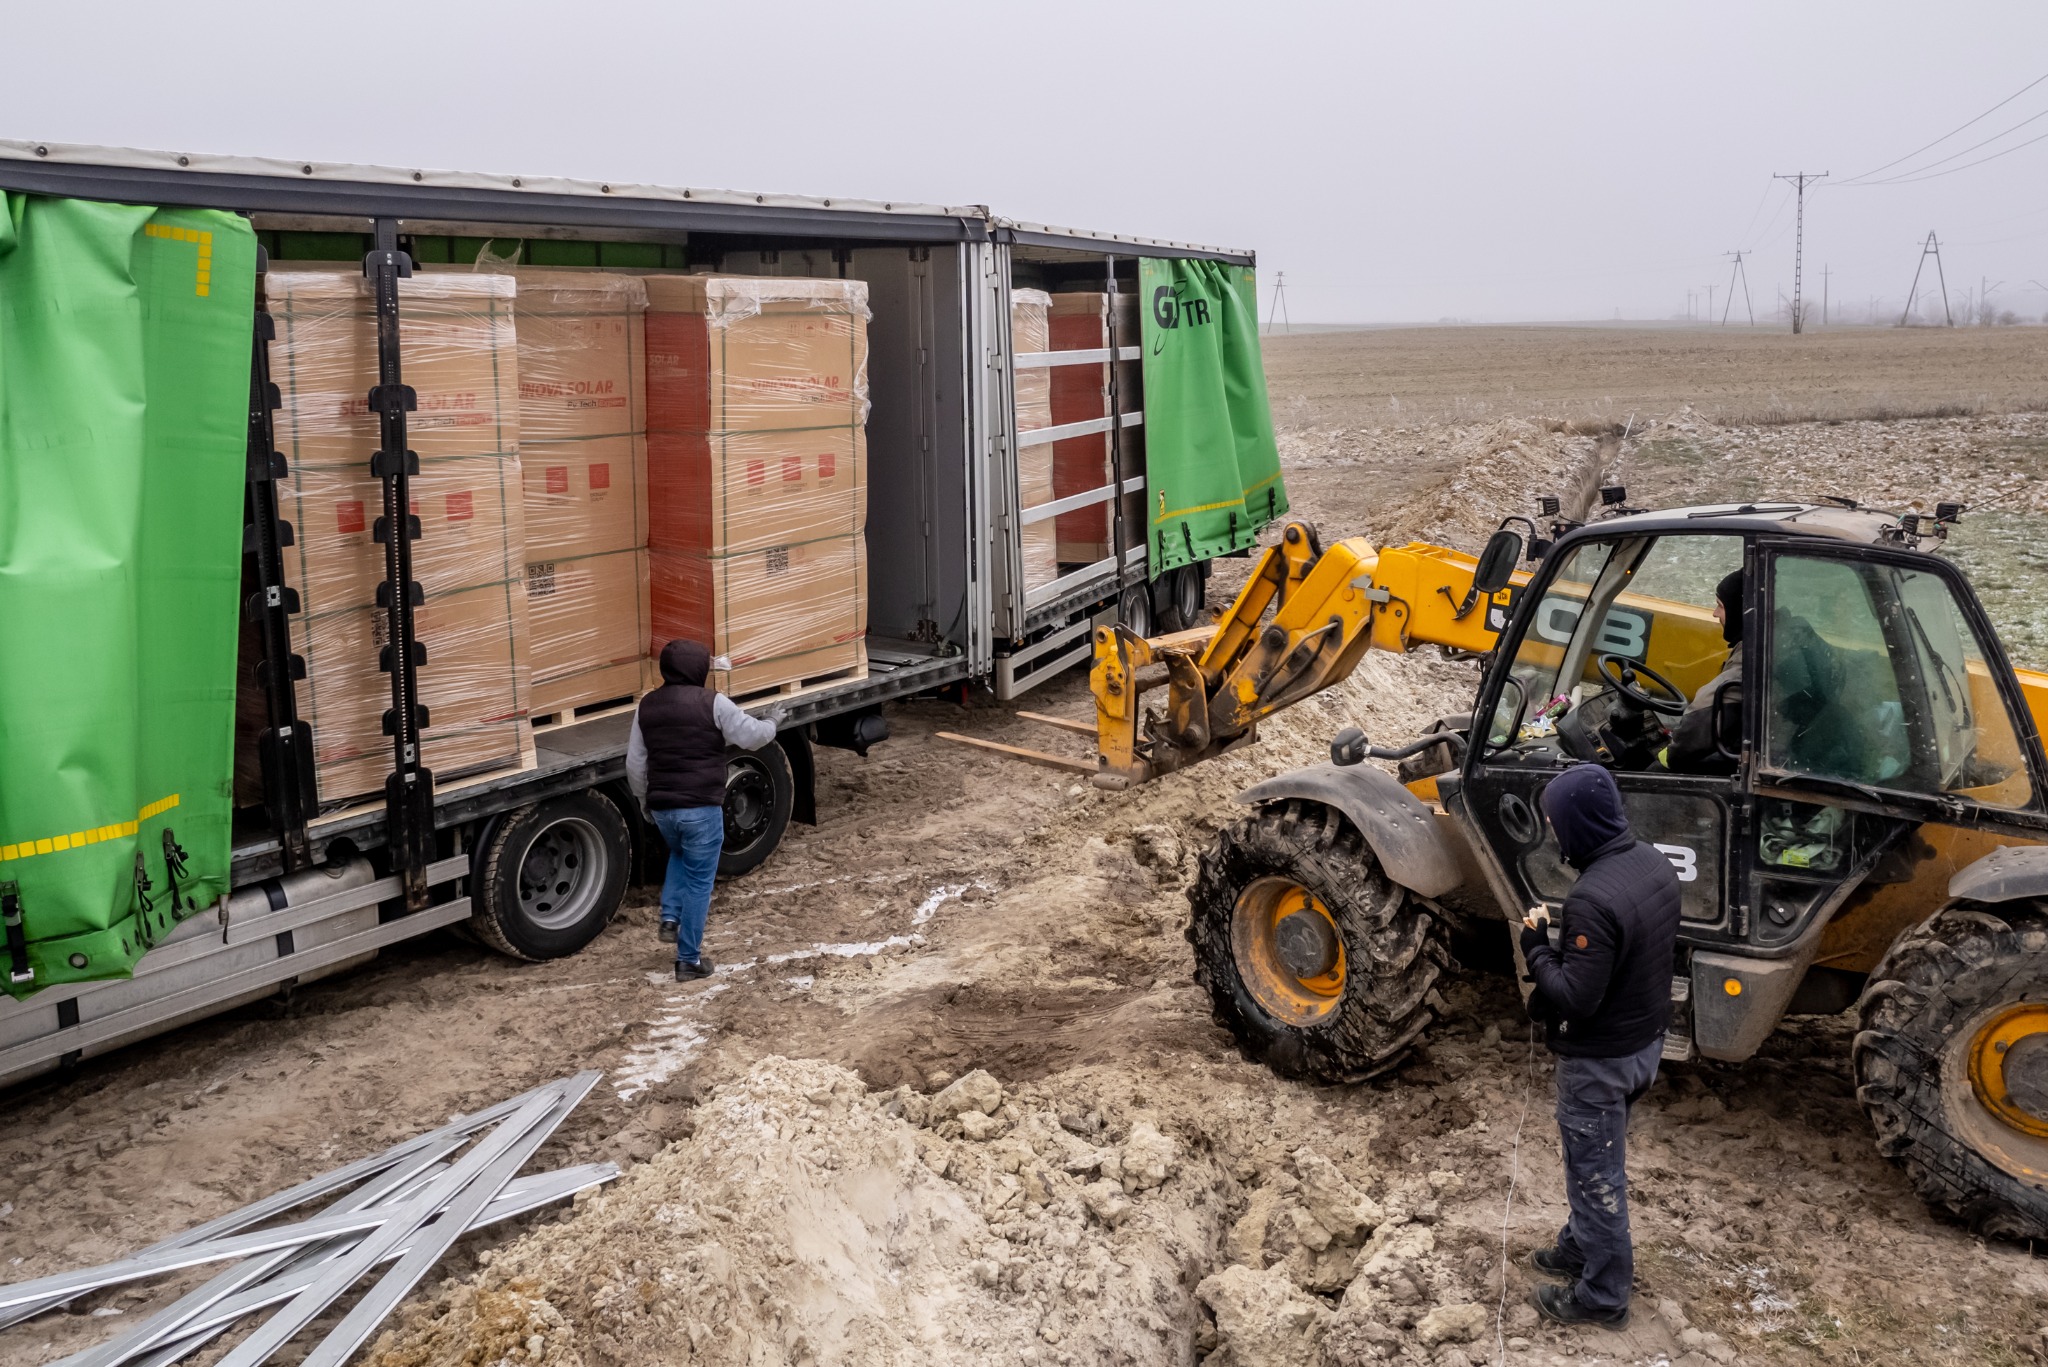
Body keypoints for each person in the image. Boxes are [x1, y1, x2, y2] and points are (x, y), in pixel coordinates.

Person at [1519, 763, 1682, 1329]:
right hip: (1643, 1048)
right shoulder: (1654, 865)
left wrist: (1536, 947)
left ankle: (1603, 1297)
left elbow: (1576, 998)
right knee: (1595, 1162)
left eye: (1555, 823)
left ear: (1578, 823)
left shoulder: (1592, 897)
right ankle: (1579, 1246)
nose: (1554, 834)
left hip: (1600, 1062)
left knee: (1596, 1174)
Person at [626, 639, 783, 981]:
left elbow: (635, 763)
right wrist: (772, 721)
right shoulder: (713, 703)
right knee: (700, 882)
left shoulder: (646, 707)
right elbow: (752, 737)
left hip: (665, 808)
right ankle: (688, 960)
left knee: (680, 855)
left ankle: (670, 917)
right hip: (701, 808)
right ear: (698, 670)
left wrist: (644, 802)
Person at [1661, 569, 1743, 773]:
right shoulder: (1778, 637)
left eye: (1720, 606)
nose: (1715, 614)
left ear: (1741, 610)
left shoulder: (1750, 659)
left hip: (1749, 766)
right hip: (1765, 751)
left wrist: (1668, 754)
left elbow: (1701, 718)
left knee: (1649, 773)